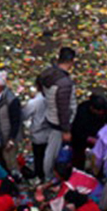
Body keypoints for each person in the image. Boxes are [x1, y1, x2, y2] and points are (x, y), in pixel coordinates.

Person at [35, 47, 76, 180]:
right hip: (58, 122)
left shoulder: (48, 73)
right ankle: (48, 176)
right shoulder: (64, 83)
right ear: (71, 62)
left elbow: (39, 84)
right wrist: (66, 130)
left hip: (50, 114)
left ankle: (47, 173)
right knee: (52, 152)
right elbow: (63, 108)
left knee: (50, 147)